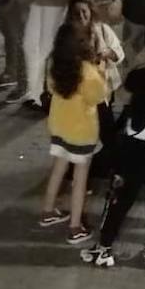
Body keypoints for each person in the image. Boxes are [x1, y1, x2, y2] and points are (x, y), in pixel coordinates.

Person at [81, 26, 145, 269]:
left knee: (121, 200)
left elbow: (125, 91)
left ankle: (105, 248)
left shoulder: (139, 77)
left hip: (135, 152)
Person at [39, 17, 109, 245]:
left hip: (59, 125)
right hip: (81, 131)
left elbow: (50, 88)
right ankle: (75, 226)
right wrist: (101, 73)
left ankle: (48, 211)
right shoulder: (87, 72)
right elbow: (98, 97)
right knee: (80, 179)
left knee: (58, 167)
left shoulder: (54, 64)